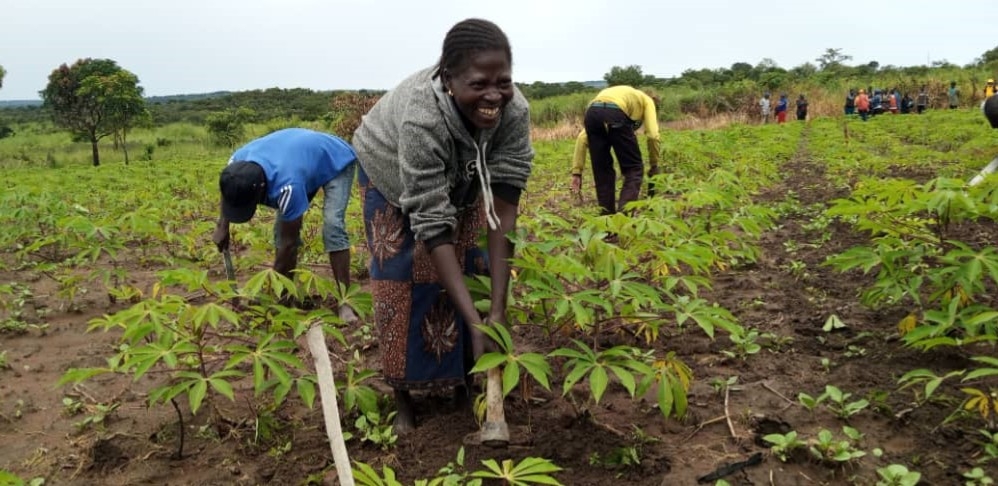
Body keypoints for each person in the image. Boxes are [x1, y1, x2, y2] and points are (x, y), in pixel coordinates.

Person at [351, 18, 533, 432]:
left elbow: (503, 211)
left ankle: (462, 380)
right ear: (449, 79)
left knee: (473, 263)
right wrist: (474, 321)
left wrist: (498, 309)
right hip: (387, 169)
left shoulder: (514, 111)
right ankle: (403, 396)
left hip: (463, 173)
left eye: (503, 81)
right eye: (479, 84)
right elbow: (432, 225)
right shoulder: (422, 118)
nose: (494, 95)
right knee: (398, 277)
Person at [212, 128, 359, 321]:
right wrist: (222, 225)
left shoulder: (288, 185)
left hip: (335, 158)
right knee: (280, 233)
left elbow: (289, 244)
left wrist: (267, 287)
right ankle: (286, 297)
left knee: (332, 226)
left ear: (262, 190)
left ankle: (344, 301)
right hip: (300, 158)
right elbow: (228, 192)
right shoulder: (234, 165)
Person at [569, 86, 661, 215]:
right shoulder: (647, 101)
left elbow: (581, 138)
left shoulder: (625, 95)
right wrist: (654, 164)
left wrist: (576, 172)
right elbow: (653, 135)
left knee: (603, 173)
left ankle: (607, 224)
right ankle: (623, 217)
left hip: (592, 113)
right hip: (616, 113)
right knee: (634, 169)